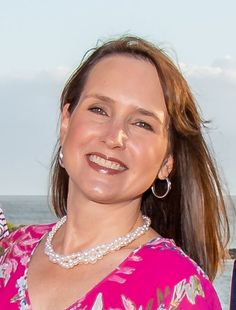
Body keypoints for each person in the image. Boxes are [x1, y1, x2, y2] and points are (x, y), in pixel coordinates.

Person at [0, 36, 230, 309]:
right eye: (99, 109)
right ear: (66, 121)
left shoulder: (178, 291)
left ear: (167, 161)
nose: (114, 137)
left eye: (142, 124)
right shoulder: (10, 252)